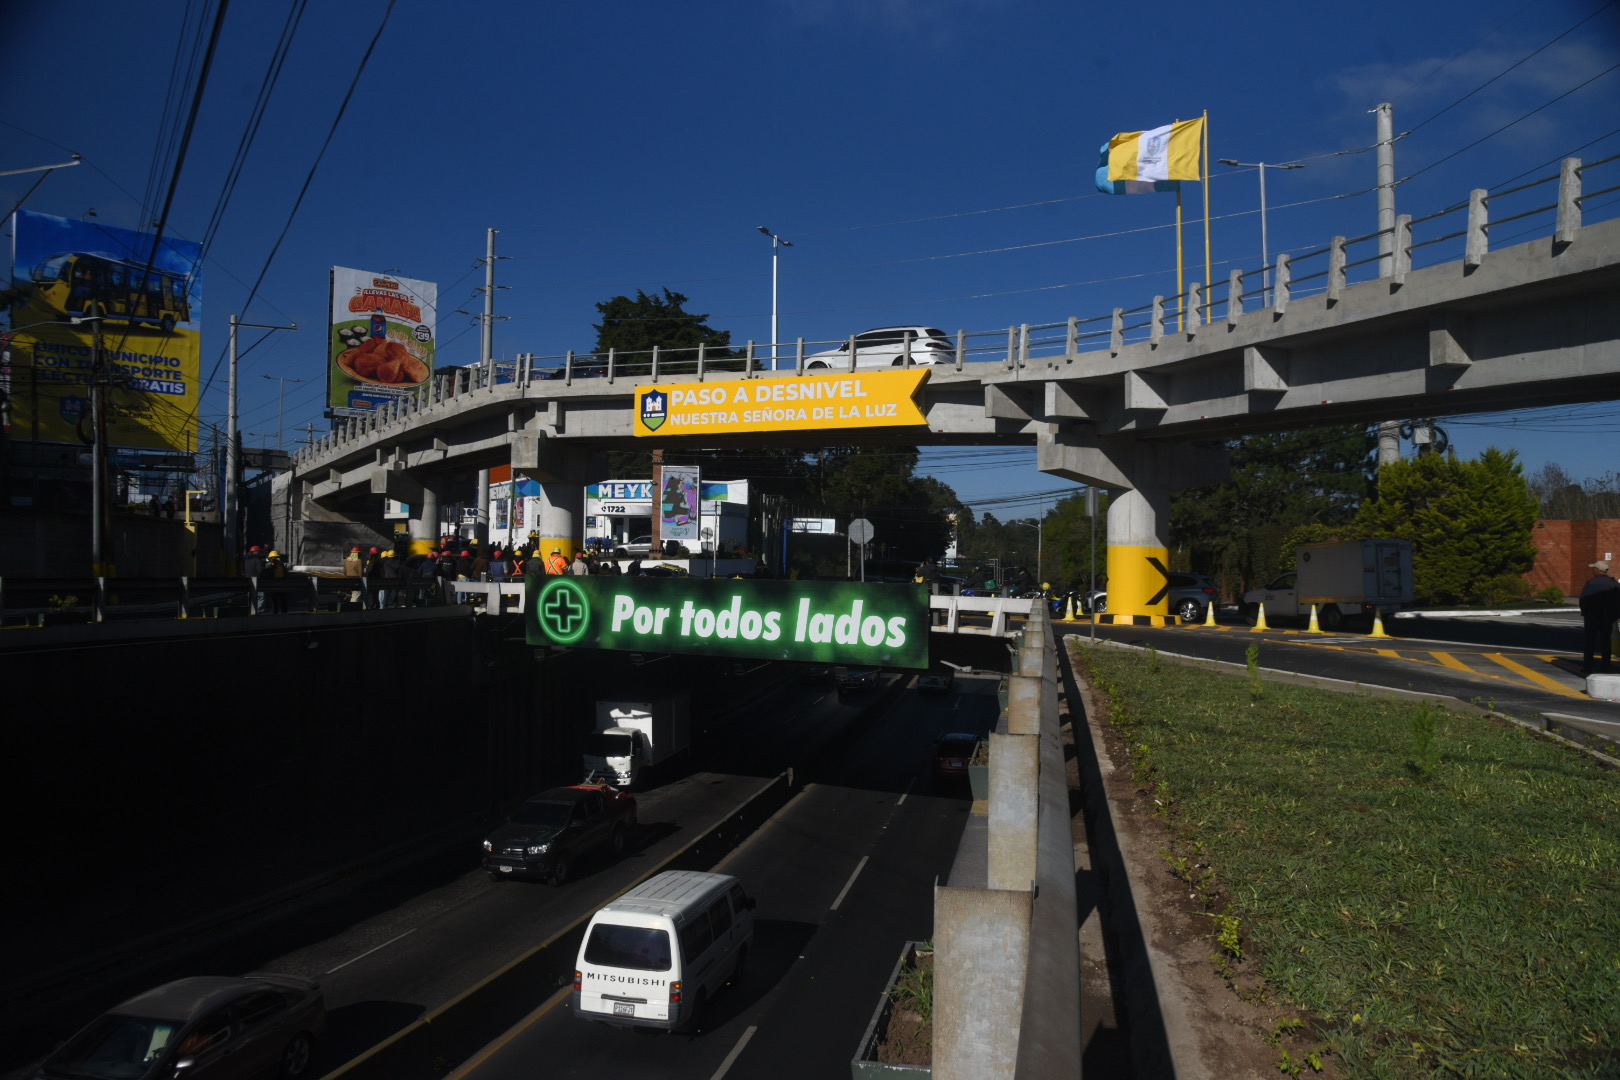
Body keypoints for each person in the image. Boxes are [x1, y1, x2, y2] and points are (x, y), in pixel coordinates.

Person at [1578, 559, 1620, 675]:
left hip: (1592, 617)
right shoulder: (1613, 583)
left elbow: (1583, 599)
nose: (1592, 570)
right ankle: (1605, 668)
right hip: (1607, 618)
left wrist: (1585, 612)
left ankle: (1587, 668)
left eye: (1594, 568)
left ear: (1598, 570)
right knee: (1606, 643)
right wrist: (1614, 616)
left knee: (1590, 643)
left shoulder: (1591, 583)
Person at [243, 545, 268, 613]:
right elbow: (260, 570)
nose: (260, 553)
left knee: (250, 596)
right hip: (257, 580)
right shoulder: (257, 560)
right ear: (256, 552)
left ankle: (250, 610)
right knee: (261, 596)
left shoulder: (246, 560)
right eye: (259, 552)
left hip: (248, 580)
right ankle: (259, 610)